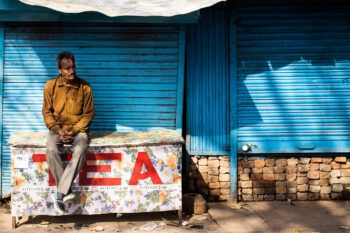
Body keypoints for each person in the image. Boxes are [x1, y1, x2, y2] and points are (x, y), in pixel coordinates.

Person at [42, 51, 95, 214]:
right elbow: (47, 113)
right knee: (51, 148)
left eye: (73, 67)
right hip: (57, 129)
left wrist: (74, 130)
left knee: (80, 149)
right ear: (59, 70)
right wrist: (58, 129)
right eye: (67, 69)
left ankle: (60, 193)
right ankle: (67, 191)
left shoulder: (85, 87)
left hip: (78, 130)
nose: (72, 71)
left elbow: (89, 114)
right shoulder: (50, 86)